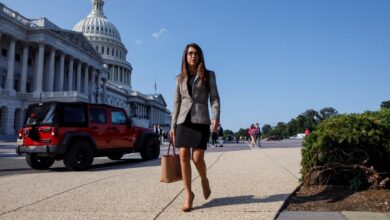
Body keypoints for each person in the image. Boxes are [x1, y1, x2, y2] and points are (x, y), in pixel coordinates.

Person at [170, 43, 220, 212]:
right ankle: (188, 194)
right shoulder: (179, 78)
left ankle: (204, 179)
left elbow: (214, 98)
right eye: (190, 53)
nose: (193, 56)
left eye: (196, 53)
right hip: (183, 121)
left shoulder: (208, 75)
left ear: (200, 56)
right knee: (183, 154)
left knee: (197, 158)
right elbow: (176, 103)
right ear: (185, 56)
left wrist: (215, 117)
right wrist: (172, 126)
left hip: (201, 119)